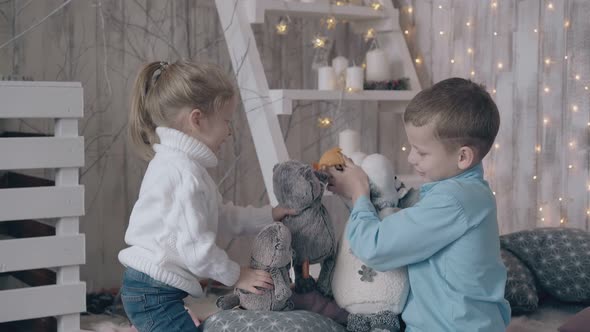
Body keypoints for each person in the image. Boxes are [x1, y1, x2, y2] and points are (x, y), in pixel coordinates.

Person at [118, 60, 294, 332]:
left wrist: (268, 215)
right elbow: (197, 251)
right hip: (152, 293)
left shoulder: (186, 167)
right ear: (197, 119)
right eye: (226, 121)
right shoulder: (183, 173)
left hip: (153, 288)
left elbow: (222, 215)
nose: (230, 131)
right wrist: (239, 275)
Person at [327, 77, 511, 331]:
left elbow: (376, 248)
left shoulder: (452, 202)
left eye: (422, 152)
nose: (411, 158)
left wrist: (358, 193)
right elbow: (412, 215)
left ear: (463, 157)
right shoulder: (466, 193)